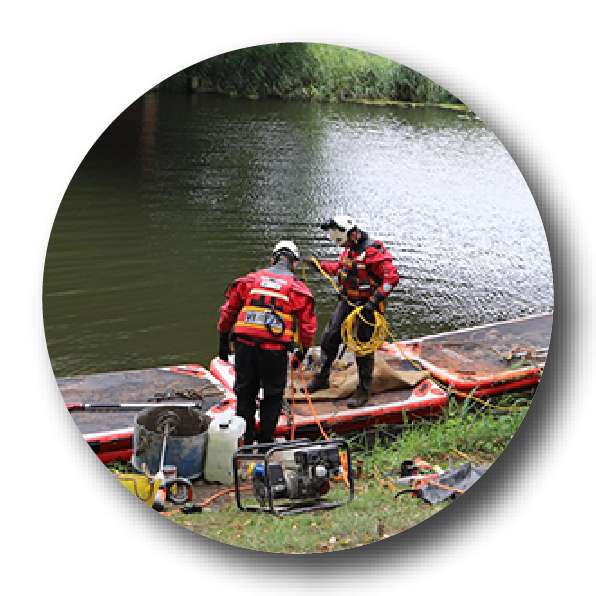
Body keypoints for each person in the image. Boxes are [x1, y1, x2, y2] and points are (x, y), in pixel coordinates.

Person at [217, 240, 317, 446]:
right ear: (295, 264)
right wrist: (303, 351)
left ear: (272, 259)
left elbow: (228, 312)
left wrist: (223, 341)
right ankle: (265, 445)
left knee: (245, 394)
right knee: (272, 396)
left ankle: (245, 442)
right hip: (274, 351)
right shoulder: (298, 289)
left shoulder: (248, 281)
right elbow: (307, 327)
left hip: (244, 347)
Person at [305, 215, 399, 408]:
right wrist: (320, 266)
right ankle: (323, 376)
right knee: (330, 336)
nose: (343, 245)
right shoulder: (349, 251)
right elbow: (341, 269)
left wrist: (374, 302)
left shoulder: (374, 253)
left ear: (353, 234)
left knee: (362, 347)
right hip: (348, 301)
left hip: (367, 306)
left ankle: (363, 389)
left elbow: (392, 279)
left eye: (344, 241)